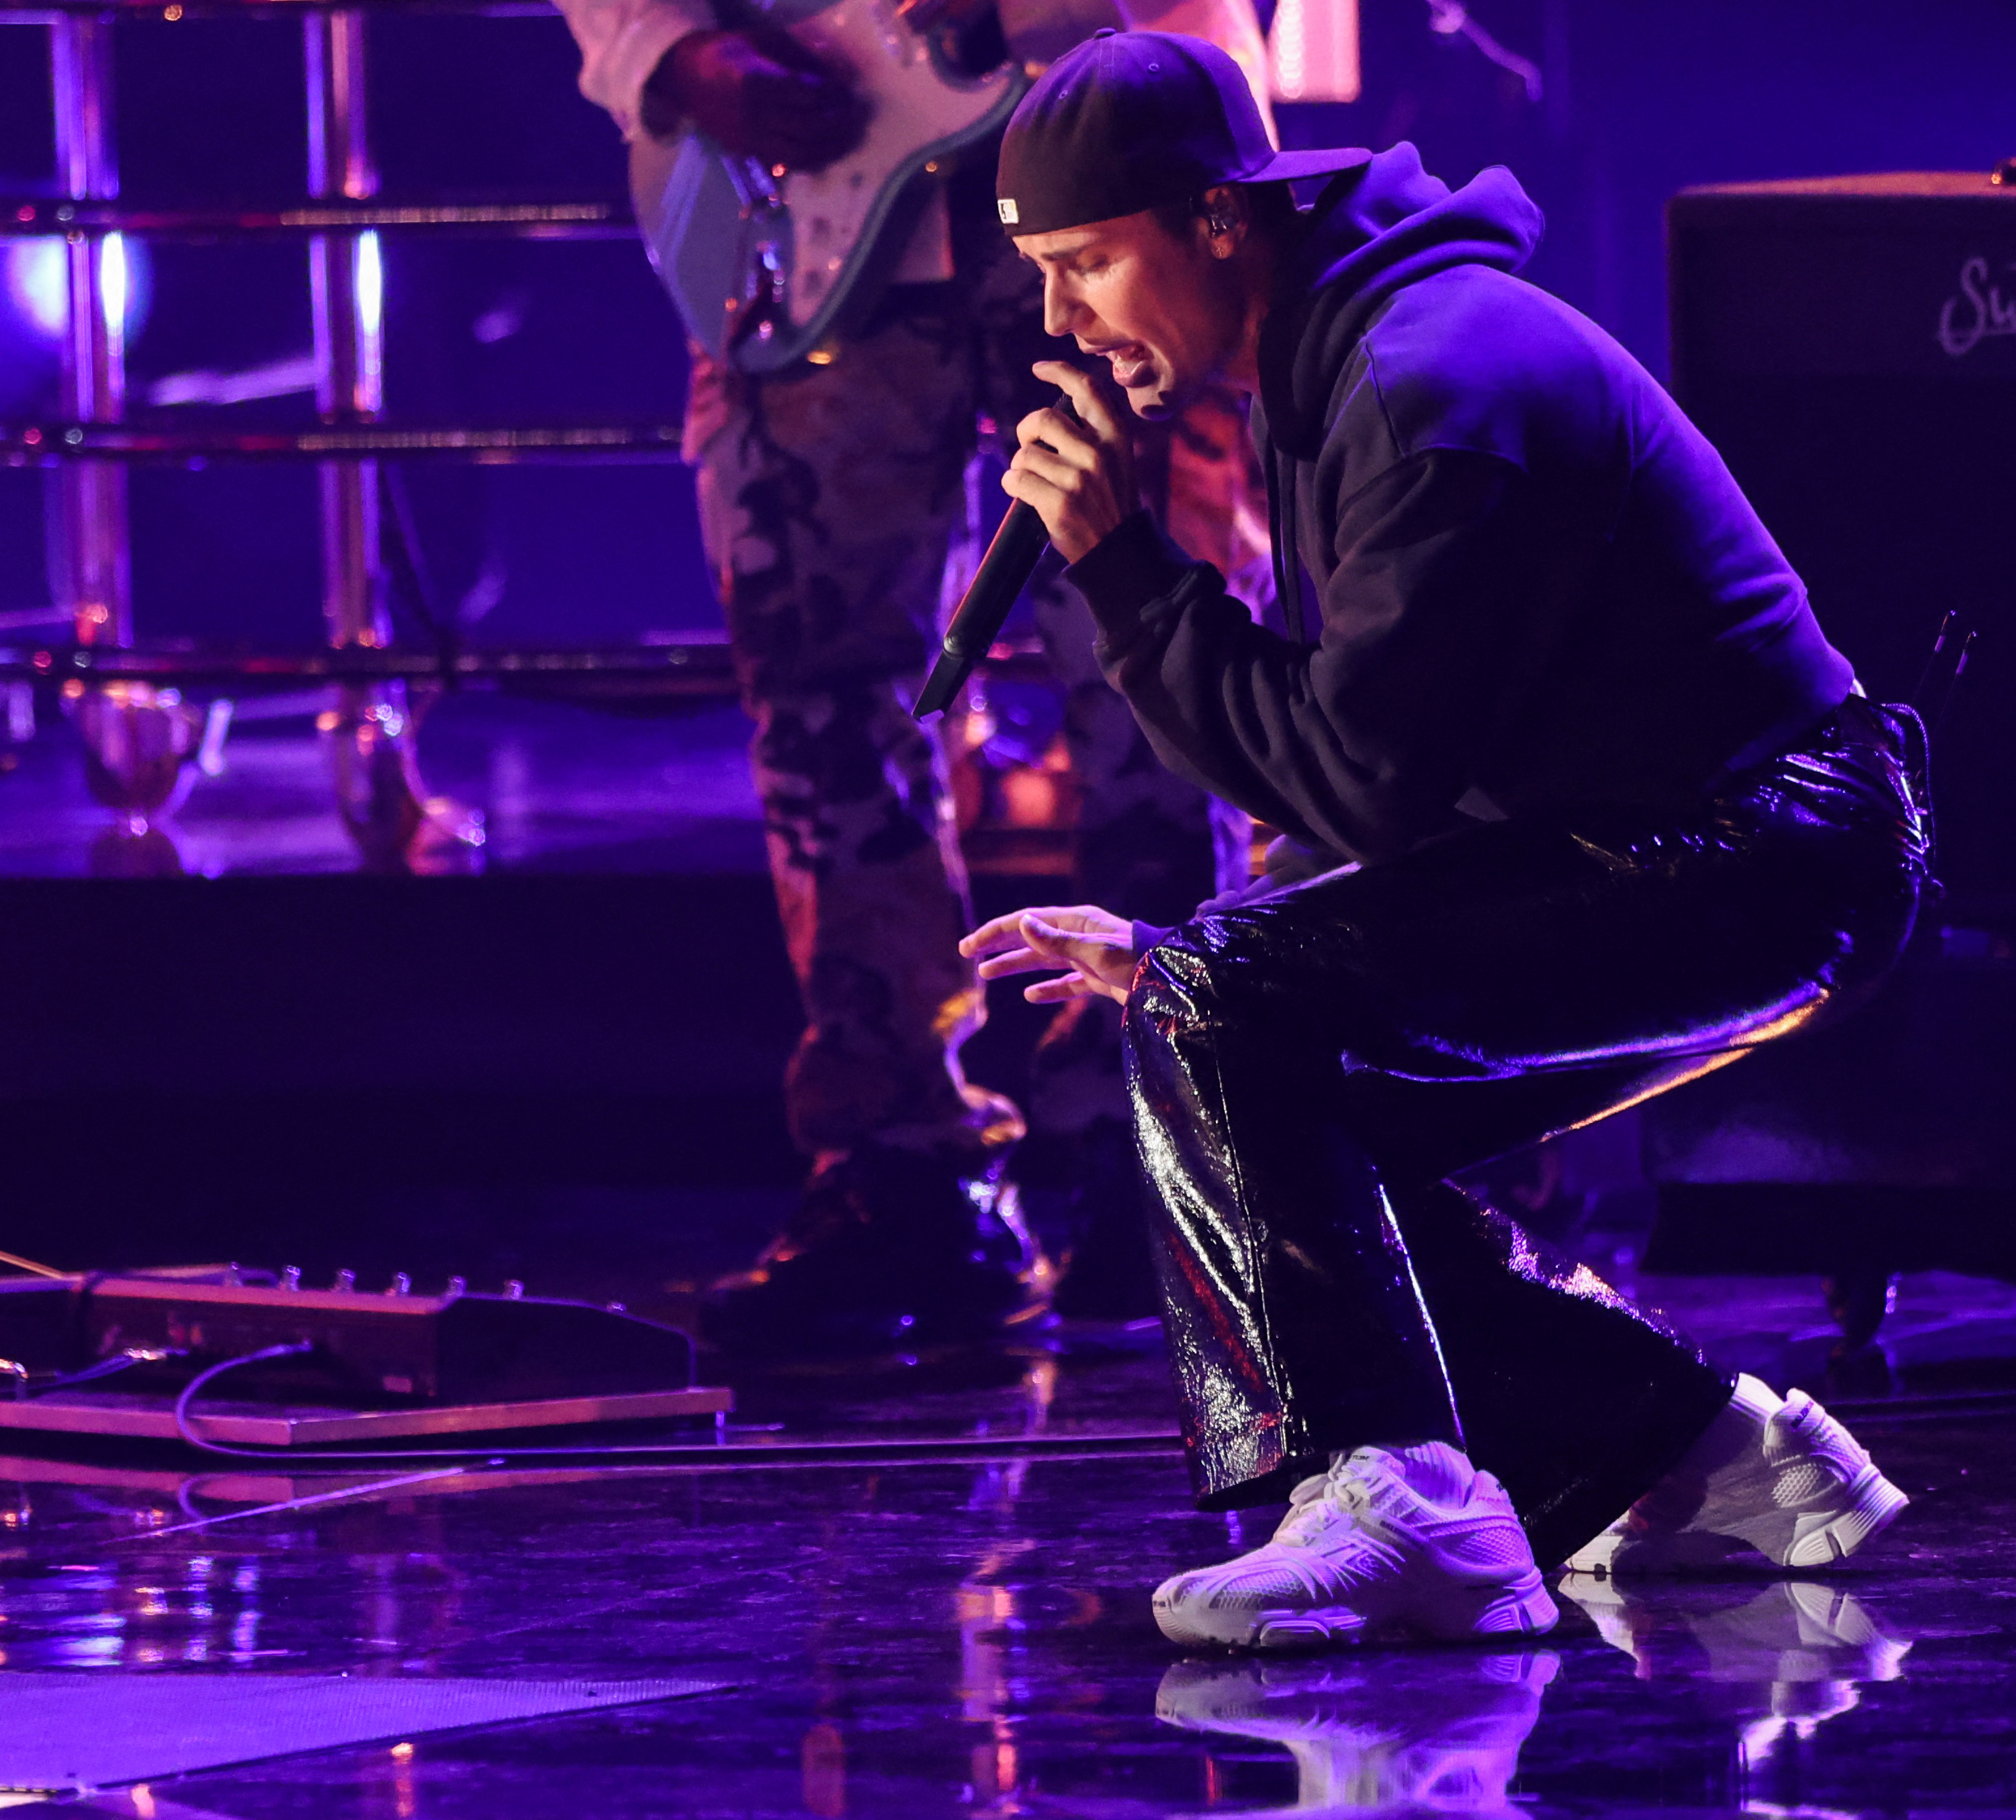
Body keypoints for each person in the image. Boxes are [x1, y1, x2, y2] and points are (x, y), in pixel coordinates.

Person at [960, 31, 1933, 1647]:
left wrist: (1127, 573)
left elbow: (1367, 779)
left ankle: (1399, 1495)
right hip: (1661, 839)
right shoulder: (1328, 357)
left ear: (1218, 219)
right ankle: (1699, 1458)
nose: (1061, 321)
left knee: (1234, 1018)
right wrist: (1193, 960)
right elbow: (1375, 751)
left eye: (1087, 265)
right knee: (1244, 1059)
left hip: (1766, 852)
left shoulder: (1432, 380)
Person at [546, 0, 1279, 1351]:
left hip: (1111, 151)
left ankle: (1172, 1154)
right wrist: (670, 53)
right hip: (810, 213)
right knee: (823, 710)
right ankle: (902, 1170)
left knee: (1166, 681)